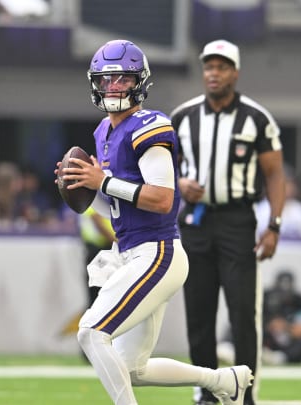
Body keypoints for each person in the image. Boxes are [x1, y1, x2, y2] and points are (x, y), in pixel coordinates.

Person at [57, 39, 253, 405]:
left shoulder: (149, 124)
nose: (114, 86)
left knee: (91, 333)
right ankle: (225, 381)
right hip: (134, 252)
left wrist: (103, 181)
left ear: (140, 82)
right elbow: (112, 206)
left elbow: (162, 199)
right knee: (133, 369)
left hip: (158, 253)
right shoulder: (103, 131)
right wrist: (85, 188)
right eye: (107, 79)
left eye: (122, 79)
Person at [170, 39, 286, 405]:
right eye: (209, 67)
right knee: (199, 311)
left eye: (221, 67)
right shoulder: (182, 117)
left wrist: (274, 225)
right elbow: (158, 167)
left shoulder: (256, 117)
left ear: (235, 72)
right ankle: (206, 390)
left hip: (237, 220)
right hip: (195, 222)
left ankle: (244, 393)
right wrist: (177, 183)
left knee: (242, 314)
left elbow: (275, 174)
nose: (214, 74)